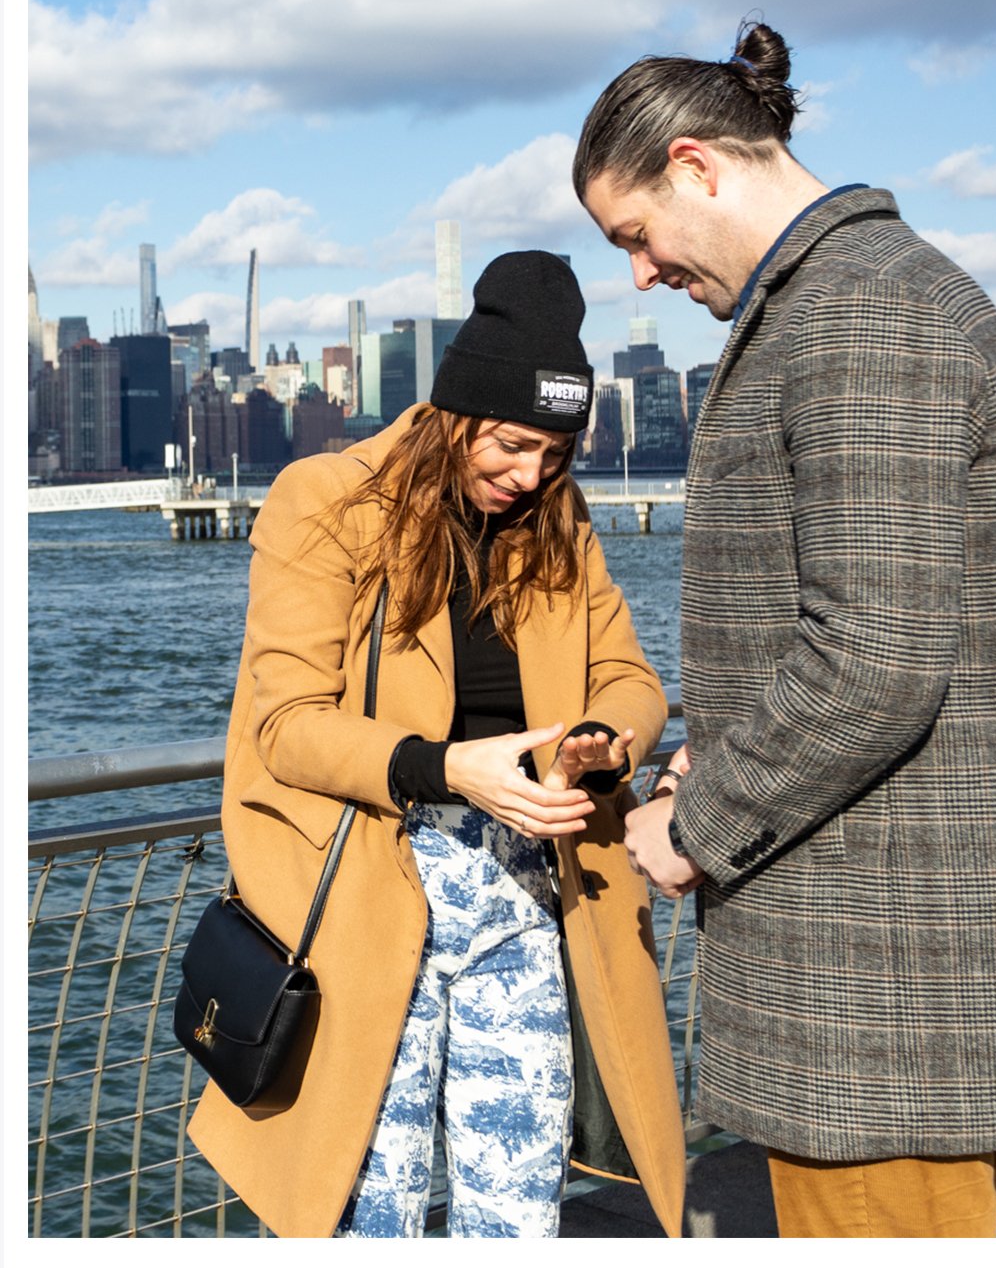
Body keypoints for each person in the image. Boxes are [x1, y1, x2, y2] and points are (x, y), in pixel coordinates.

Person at [574, 20, 996, 1239]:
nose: (638, 275)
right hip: (896, 968)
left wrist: (694, 822)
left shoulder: (856, 314)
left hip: (887, 993)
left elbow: (874, 658)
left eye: (633, 236)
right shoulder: (864, 296)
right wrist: (730, 746)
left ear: (697, 167)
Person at [190, 252, 687, 1238]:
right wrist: (449, 766)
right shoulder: (327, 498)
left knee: (518, 1214)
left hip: (528, 900)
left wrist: (601, 743)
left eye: (554, 452)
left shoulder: (557, 517)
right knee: (369, 1213)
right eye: (508, 445)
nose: (529, 474)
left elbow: (631, 680)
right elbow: (285, 727)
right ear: (457, 411)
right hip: (372, 905)